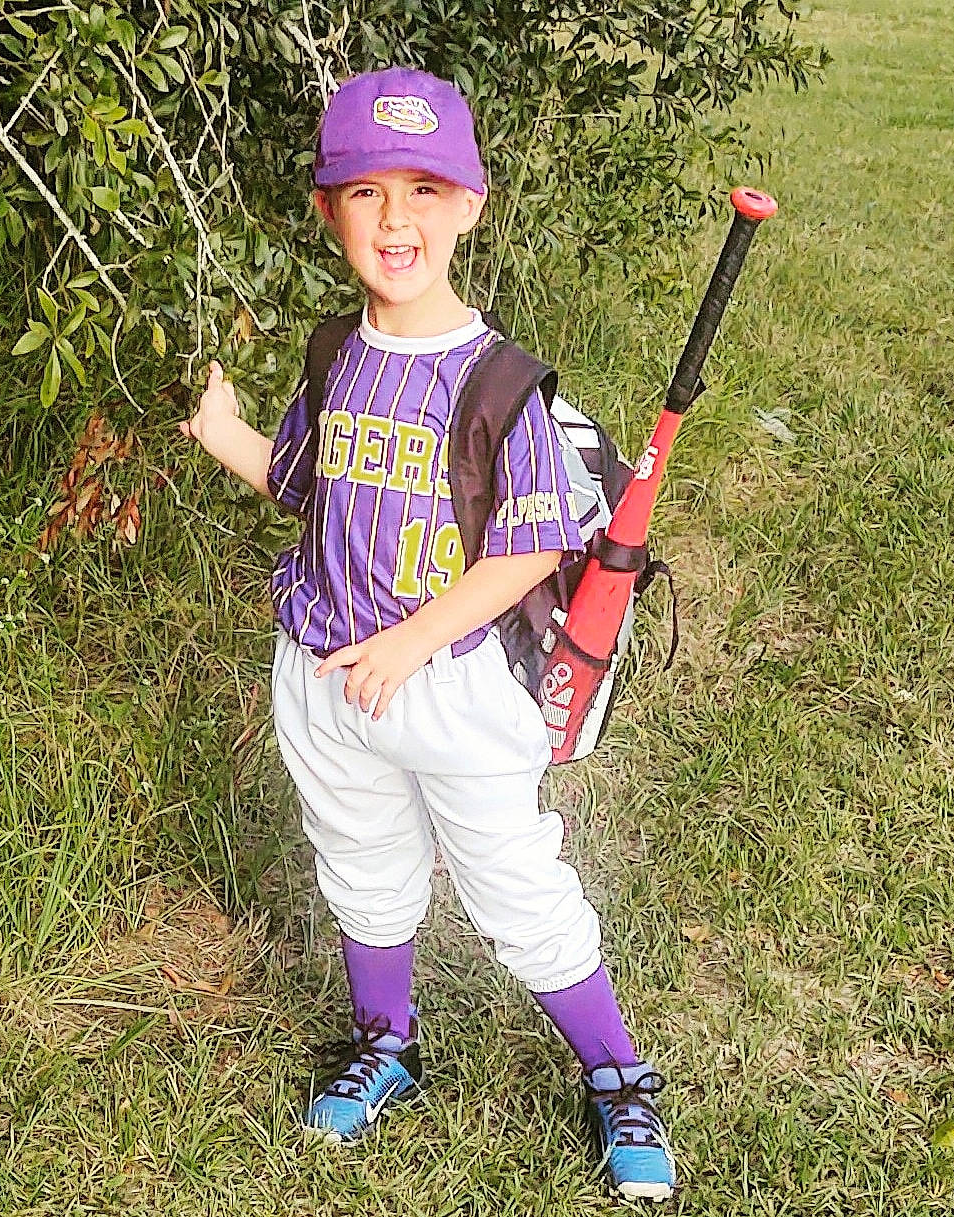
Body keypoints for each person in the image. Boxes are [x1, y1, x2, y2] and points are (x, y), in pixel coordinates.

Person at [180, 66, 677, 1202]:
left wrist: (408, 642)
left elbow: (526, 550)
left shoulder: (502, 384)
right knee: (360, 862)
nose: (393, 218)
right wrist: (224, 433)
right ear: (328, 209)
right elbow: (306, 483)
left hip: (450, 684)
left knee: (512, 881)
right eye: (365, 191)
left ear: (468, 206)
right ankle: (385, 1043)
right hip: (322, 672)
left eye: (423, 190)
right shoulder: (333, 354)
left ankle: (616, 1073)